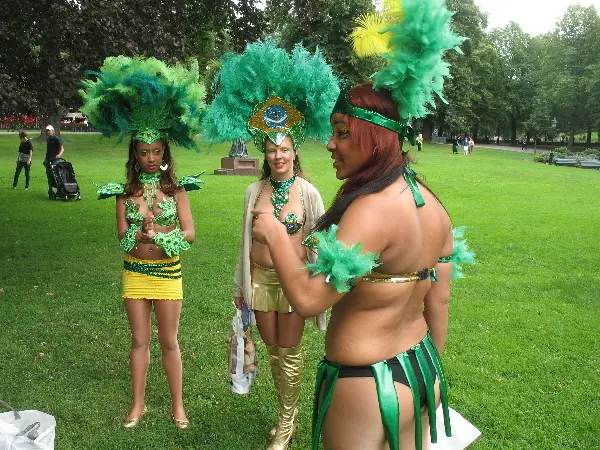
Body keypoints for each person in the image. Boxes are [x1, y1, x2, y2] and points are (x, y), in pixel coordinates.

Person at [252, 2, 475, 449]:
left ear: (373, 136)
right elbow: (440, 297)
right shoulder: (430, 203)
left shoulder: (372, 208)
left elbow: (312, 301)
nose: (331, 144)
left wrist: (275, 233)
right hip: (421, 368)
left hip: (367, 385)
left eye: (341, 131)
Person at [202, 40, 339, 450]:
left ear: (295, 151)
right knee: (273, 352)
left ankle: (285, 423)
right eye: (271, 149)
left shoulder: (310, 193)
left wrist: (318, 287)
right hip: (259, 284)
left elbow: (317, 246)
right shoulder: (253, 192)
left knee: (291, 352)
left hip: (294, 284)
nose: (278, 155)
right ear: (263, 152)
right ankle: (288, 414)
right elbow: (243, 248)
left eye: (284, 149)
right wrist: (239, 292)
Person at [81, 55, 206, 429]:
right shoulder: (123, 193)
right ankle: (138, 405)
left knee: (169, 341)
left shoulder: (178, 189)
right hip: (135, 272)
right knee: (139, 341)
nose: (151, 158)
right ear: (135, 155)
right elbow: (121, 237)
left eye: (157, 152)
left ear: (165, 154)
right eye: (144, 152)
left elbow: (190, 233)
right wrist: (138, 232)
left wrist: (163, 234)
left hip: (168, 273)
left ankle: (177, 405)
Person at [43, 125, 64, 199]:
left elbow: (62, 148)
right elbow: (48, 151)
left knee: (56, 176)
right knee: (49, 176)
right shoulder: (48, 139)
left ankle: (59, 190)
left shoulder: (56, 139)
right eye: (47, 131)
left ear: (52, 131)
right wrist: (45, 159)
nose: (48, 132)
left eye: (49, 131)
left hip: (55, 160)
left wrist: (59, 155)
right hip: (49, 160)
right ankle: (50, 190)